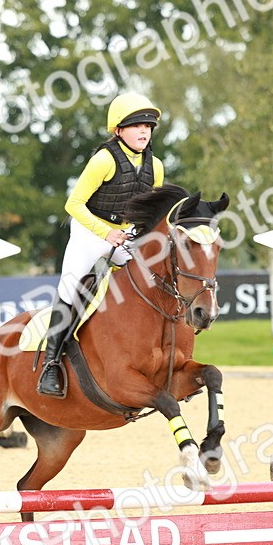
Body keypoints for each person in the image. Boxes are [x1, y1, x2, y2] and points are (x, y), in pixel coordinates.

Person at [37, 92, 166, 397]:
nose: (144, 131)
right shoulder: (104, 160)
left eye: (148, 126)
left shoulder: (156, 166)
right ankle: (50, 365)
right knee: (70, 288)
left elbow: (153, 212)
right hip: (90, 231)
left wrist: (143, 236)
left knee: (155, 278)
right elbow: (73, 204)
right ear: (118, 130)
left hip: (126, 233)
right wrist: (106, 234)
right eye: (136, 125)